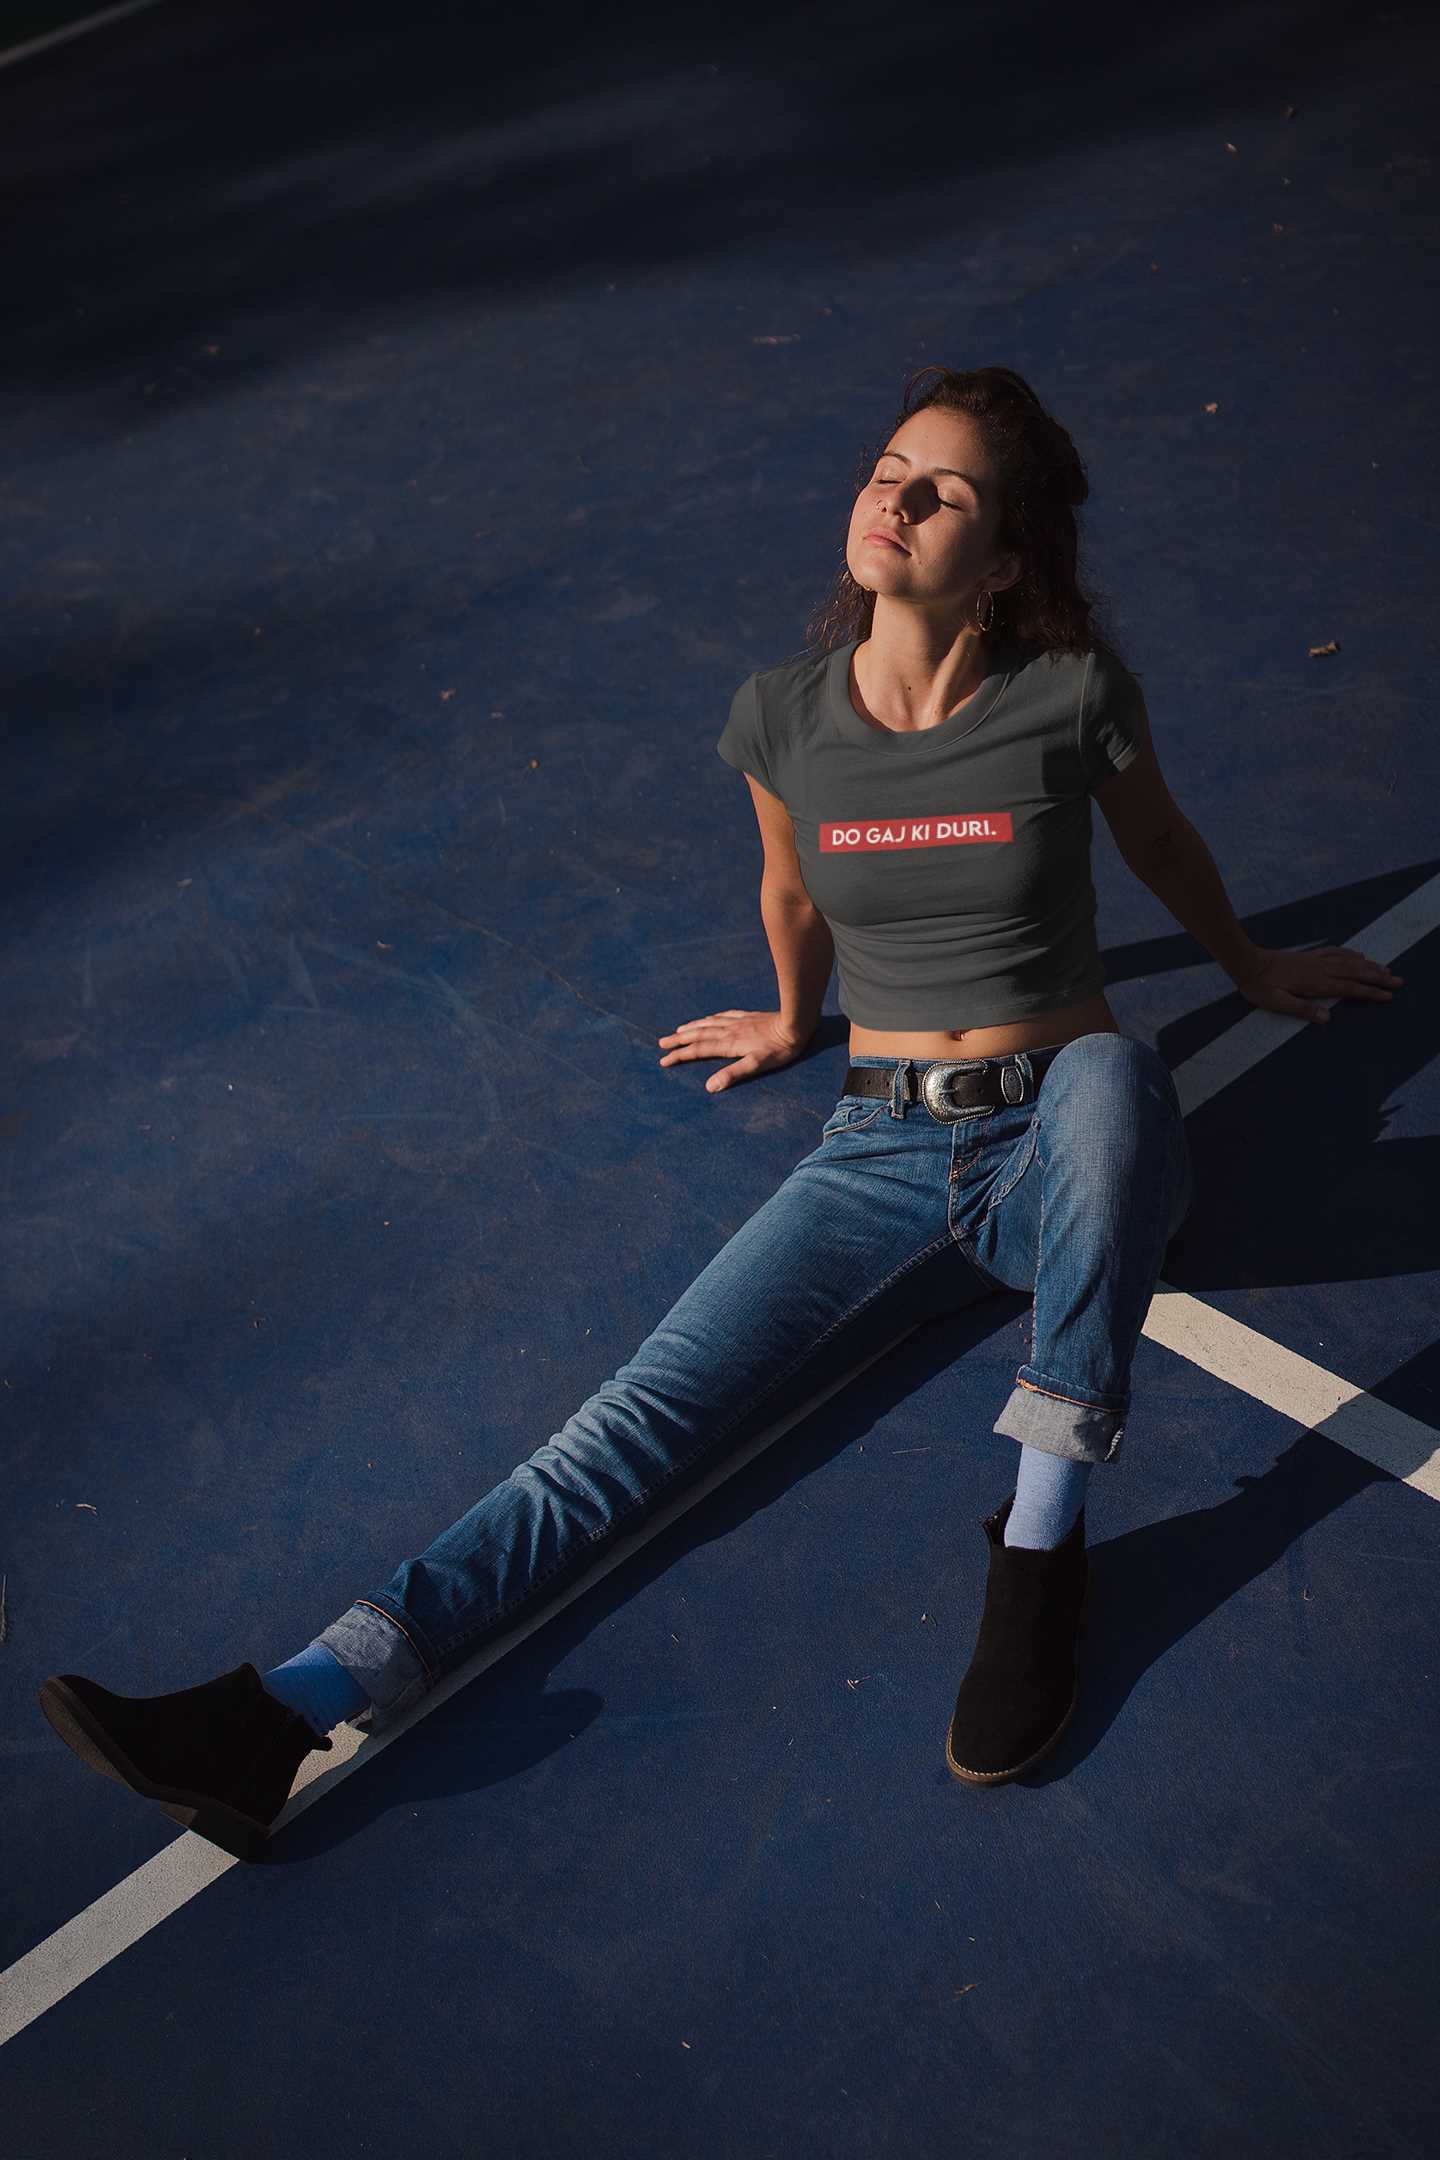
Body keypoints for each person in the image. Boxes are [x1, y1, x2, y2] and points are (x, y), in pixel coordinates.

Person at [37, 364, 1400, 1861]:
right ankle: (287, 1708)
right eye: (886, 470)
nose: (896, 498)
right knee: (627, 1425)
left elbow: (1163, 843)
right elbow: (791, 886)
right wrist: (796, 1018)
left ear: (1005, 561)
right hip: (879, 1148)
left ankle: (1041, 1548)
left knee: (1116, 1072)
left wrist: (1251, 965)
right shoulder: (784, 714)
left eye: (942, 490)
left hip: (1064, 1148)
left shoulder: (1070, 696)